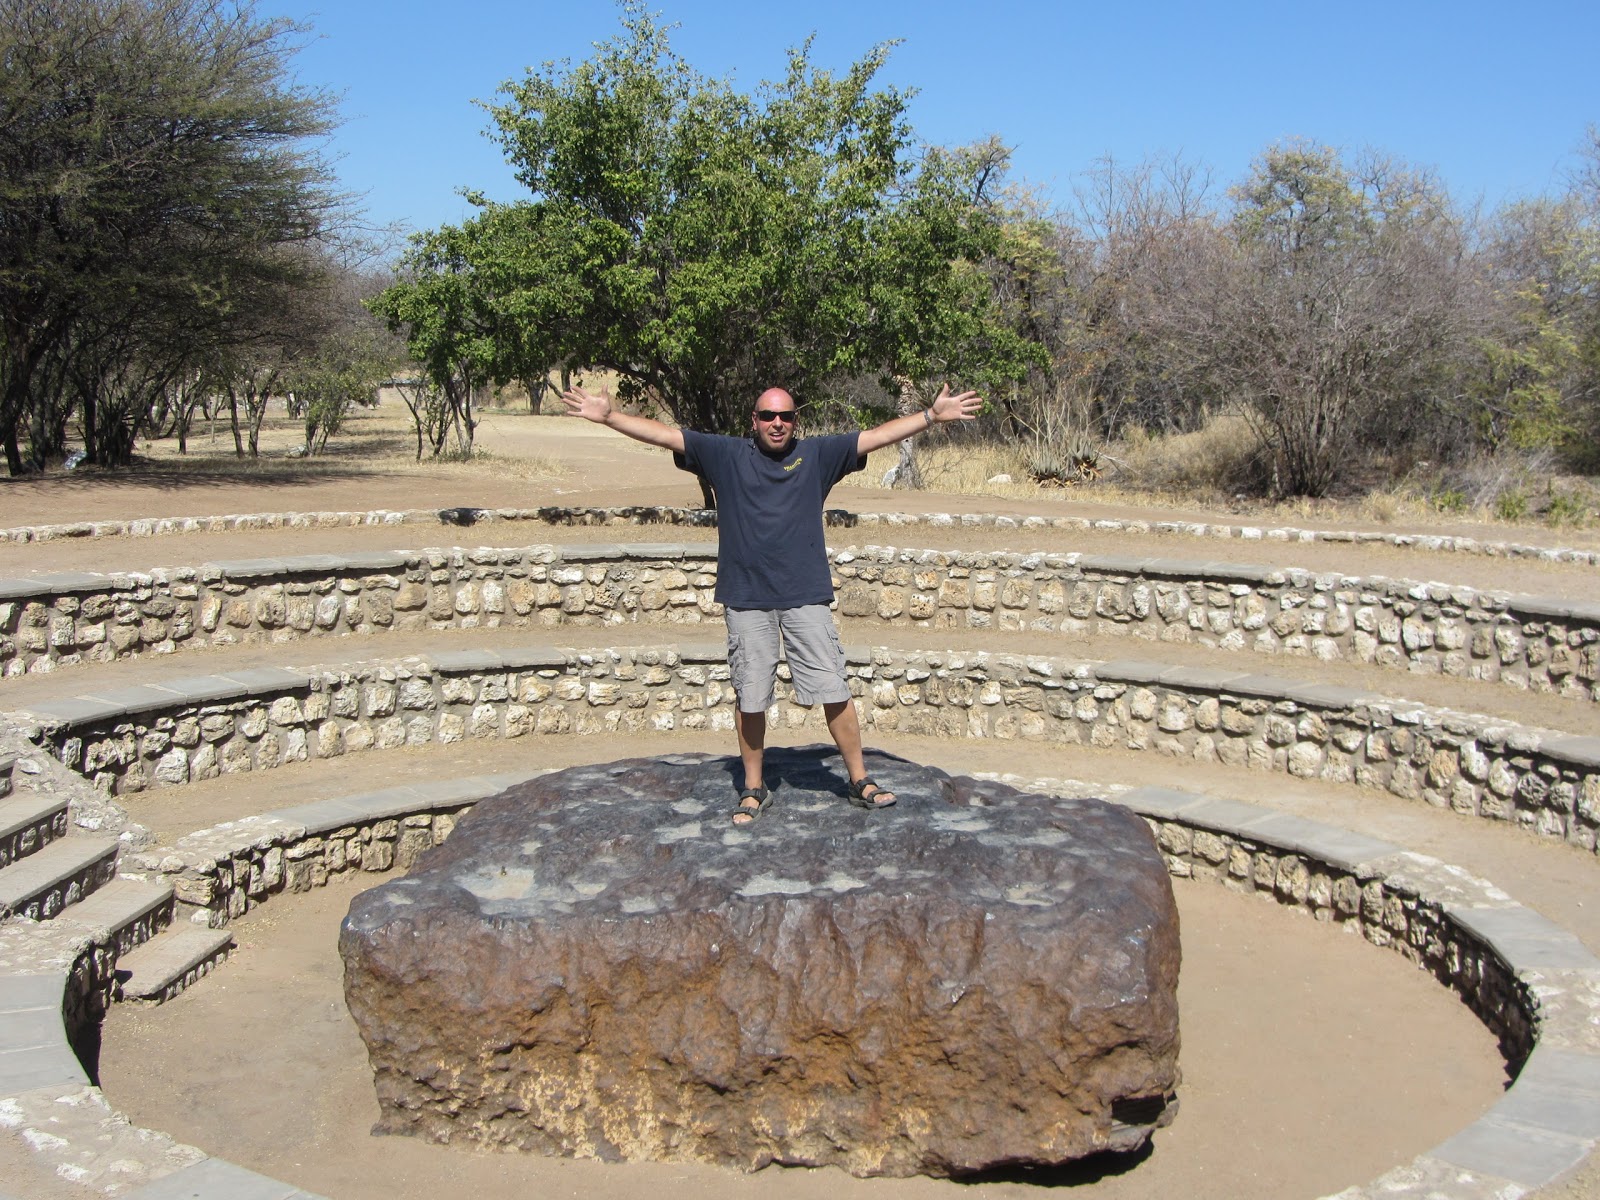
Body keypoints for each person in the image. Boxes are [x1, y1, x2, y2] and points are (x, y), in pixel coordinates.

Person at [561, 382, 983, 825]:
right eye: (767, 416)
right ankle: (753, 788)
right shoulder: (726, 455)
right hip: (747, 598)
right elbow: (666, 435)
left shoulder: (818, 456)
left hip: (805, 595)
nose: (776, 423)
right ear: (754, 420)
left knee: (833, 688)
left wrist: (931, 417)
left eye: (785, 416)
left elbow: (875, 436)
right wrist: (609, 417)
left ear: (795, 420)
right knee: (751, 695)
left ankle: (860, 779)